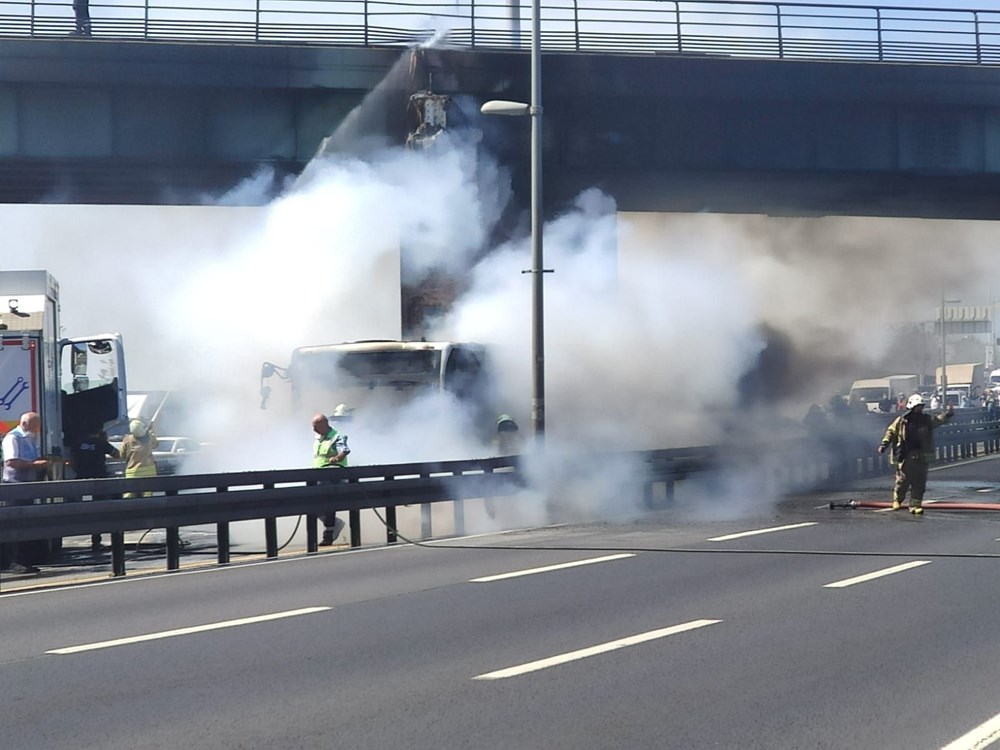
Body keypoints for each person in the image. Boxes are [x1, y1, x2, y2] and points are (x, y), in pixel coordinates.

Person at [877, 393, 954, 515]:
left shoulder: (926, 420)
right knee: (903, 479)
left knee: (919, 481)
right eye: (918, 406)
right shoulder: (901, 420)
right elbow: (891, 432)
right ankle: (898, 500)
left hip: (921, 454)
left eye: (921, 406)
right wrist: (884, 445)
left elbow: (938, 420)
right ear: (912, 406)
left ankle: (915, 505)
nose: (920, 409)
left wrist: (948, 414)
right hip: (906, 454)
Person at [1, 411, 50, 574]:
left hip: (28, 487)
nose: (37, 430)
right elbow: (11, 461)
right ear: (25, 424)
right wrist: (35, 465)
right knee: (16, 526)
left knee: (27, 524)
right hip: (14, 487)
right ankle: (14, 561)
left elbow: (31, 458)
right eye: (35, 427)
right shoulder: (13, 438)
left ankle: (25, 560)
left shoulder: (30, 438)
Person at [69, 429, 120, 548]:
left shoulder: (77, 443)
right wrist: (104, 442)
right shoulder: (100, 443)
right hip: (99, 480)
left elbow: (71, 461)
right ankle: (96, 537)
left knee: (78, 507)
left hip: (81, 478)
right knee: (99, 508)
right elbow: (117, 454)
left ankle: (74, 528)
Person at [312, 409, 350, 546]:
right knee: (309, 503)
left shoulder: (337, 436)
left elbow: (344, 450)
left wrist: (337, 458)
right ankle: (333, 526)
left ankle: (329, 533)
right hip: (319, 477)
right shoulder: (319, 439)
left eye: (316, 426)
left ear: (324, 424)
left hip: (335, 478)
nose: (313, 430)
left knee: (327, 504)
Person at [119, 419, 158, 498]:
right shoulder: (149, 438)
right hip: (149, 471)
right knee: (148, 495)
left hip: (132, 472)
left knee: (130, 495)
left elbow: (121, 455)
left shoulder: (127, 439)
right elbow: (155, 445)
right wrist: (152, 432)